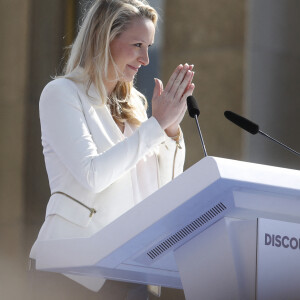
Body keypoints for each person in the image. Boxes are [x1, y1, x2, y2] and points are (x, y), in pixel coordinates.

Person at [30, 0, 195, 298]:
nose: (145, 58)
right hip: (73, 271)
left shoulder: (135, 109)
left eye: (149, 46)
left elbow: (163, 188)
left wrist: (169, 129)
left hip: (133, 268)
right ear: (104, 39)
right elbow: (92, 174)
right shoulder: (62, 94)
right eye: (137, 44)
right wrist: (155, 126)